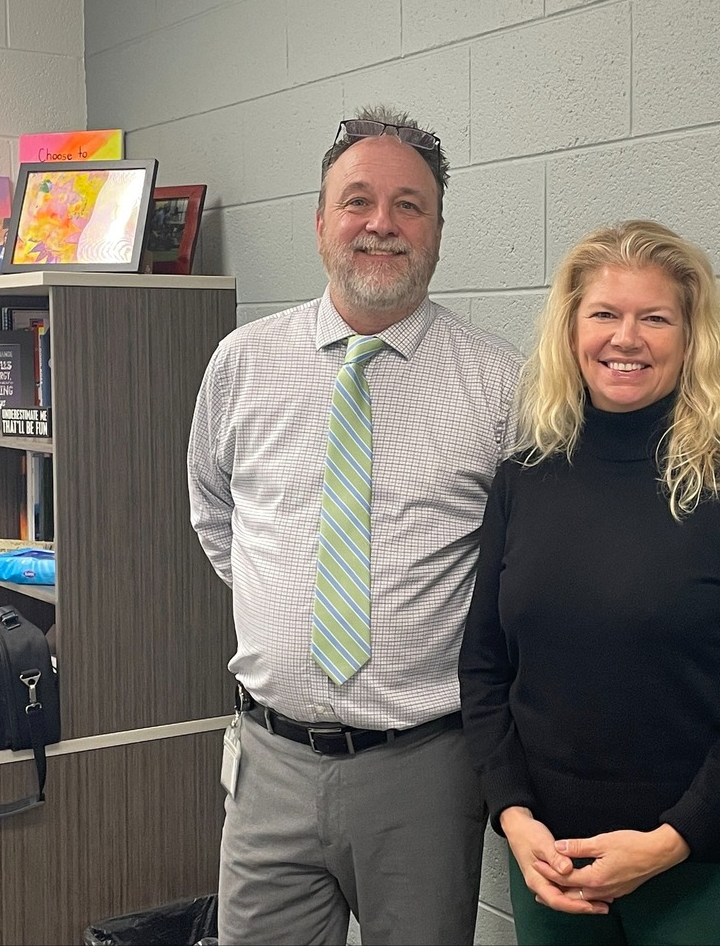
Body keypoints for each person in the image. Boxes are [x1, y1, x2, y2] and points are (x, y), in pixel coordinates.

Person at [187, 106, 521, 946]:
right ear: (321, 222)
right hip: (269, 762)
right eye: (358, 201)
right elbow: (214, 513)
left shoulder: (499, 385)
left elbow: (519, 571)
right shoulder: (243, 361)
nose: (381, 223)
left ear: (439, 230)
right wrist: (290, 610)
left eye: (409, 205)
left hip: (426, 771)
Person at [459, 220, 720, 945]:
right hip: (554, 869)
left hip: (712, 869)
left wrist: (670, 840)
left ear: (690, 339)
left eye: (654, 318)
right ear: (570, 331)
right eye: (604, 314)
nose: (626, 338)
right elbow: (483, 668)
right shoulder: (520, 483)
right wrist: (514, 818)